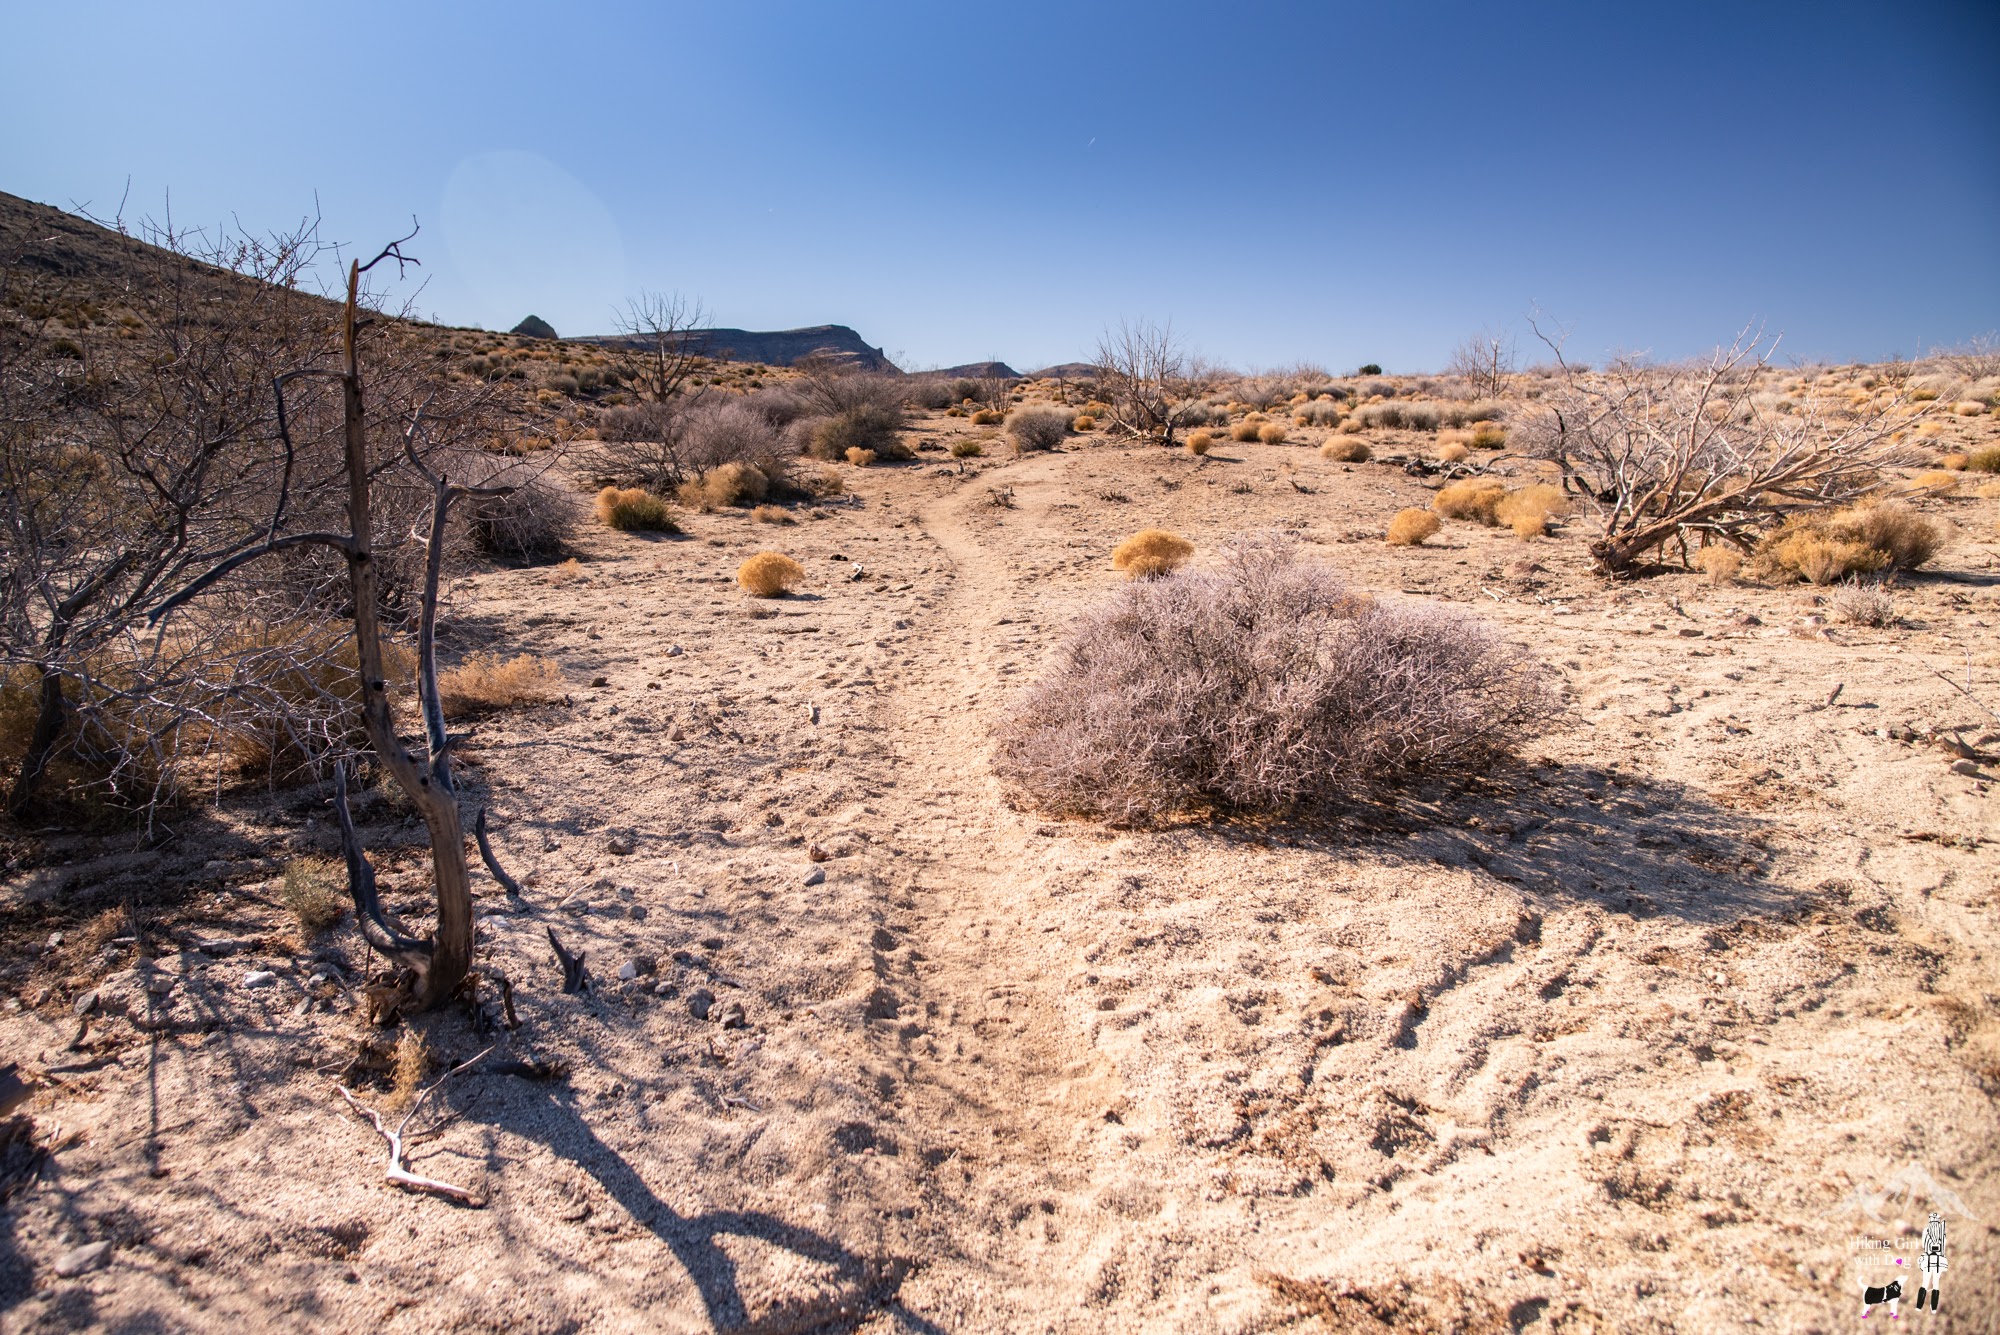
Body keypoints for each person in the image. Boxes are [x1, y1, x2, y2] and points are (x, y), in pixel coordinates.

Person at [1914, 1212, 1947, 1313]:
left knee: (1935, 1284)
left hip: (1935, 1261)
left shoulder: (1939, 1233)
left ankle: (1933, 1306)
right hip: (1930, 1261)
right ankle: (1920, 1305)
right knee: (1926, 1283)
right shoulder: (1927, 1232)